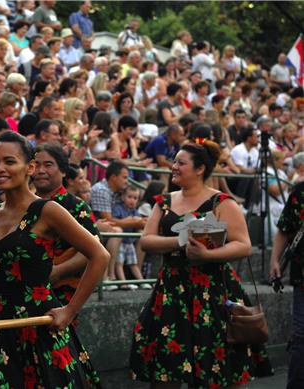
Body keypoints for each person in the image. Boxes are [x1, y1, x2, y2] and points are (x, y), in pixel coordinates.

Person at [0, 131, 108, 388]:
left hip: (40, 323)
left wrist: (69, 311)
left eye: (9, 161)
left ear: (29, 167)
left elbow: (100, 255)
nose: (0, 168)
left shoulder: (48, 210)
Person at [130, 139, 273, 387]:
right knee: (166, 368)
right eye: (174, 161)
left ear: (200, 169)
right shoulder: (163, 201)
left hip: (213, 290)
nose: (174, 166)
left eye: (181, 163)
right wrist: (180, 242)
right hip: (172, 290)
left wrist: (208, 255)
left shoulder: (222, 202)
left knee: (215, 368)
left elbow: (243, 244)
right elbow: (146, 241)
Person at [33, 142, 101, 307]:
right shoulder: (24, 205)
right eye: (36, 165)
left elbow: (93, 250)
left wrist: (58, 271)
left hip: (61, 294)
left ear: (63, 170)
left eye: (48, 165)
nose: (41, 171)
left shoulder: (77, 207)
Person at [270, 180, 304, 389]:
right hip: (302, 279)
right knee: (301, 338)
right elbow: (285, 228)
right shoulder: (300, 192)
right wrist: (275, 259)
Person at [111, 185, 150, 290]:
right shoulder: (118, 208)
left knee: (133, 263)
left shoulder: (135, 211)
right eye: (130, 197)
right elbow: (115, 221)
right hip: (120, 241)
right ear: (123, 197)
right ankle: (123, 283)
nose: (132, 200)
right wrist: (130, 220)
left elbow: (140, 222)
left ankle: (141, 281)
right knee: (119, 263)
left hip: (129, 242)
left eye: (135, 198)